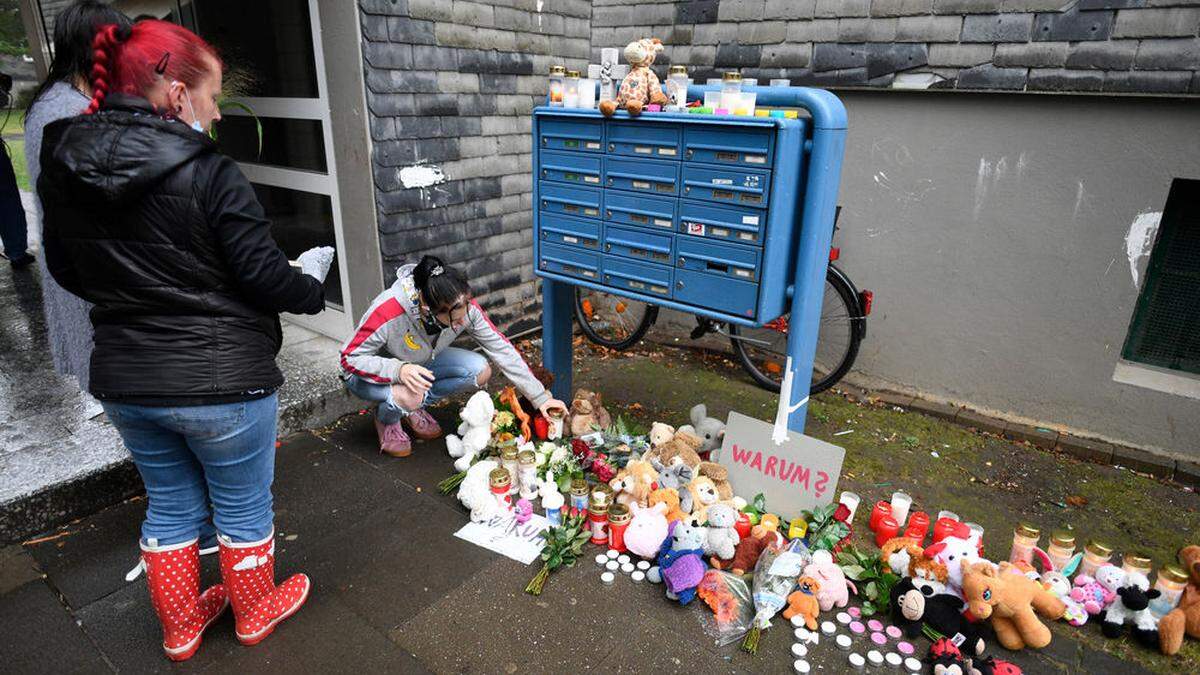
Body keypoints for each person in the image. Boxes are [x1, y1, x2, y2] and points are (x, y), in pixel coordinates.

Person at [38, 20, 334, 661]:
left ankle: (180, 628)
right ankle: (255, 611)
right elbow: (261, 275)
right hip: (224, 380)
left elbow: (64, 270)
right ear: (176, 95)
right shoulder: (210, 172)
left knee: (170, 507)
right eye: (212, 95)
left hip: (126, 378)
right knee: (242, 506)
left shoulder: (64, 165)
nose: (217, 111)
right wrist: (310, 288)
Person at [340, 255, 568, 456]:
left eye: (466, 312)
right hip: (369, 375)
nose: (463, 321)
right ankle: (387, 418)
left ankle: (412, 405)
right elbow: (349, 357)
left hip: (418, 363)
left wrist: (542, 399)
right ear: (428, 310)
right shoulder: (388, 309)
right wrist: (398, 370)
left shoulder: (461, 305)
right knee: (410, 393)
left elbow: (501, 349)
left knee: (480, 370)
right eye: (456, 319)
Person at [25, 1, 131, 399]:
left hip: (78, 263)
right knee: (114, 380)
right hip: (91, 272)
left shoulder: (54, 100)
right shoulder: (69, 113)